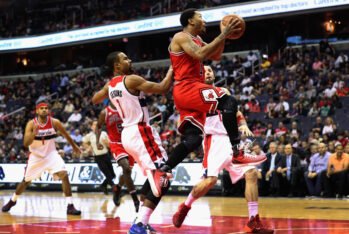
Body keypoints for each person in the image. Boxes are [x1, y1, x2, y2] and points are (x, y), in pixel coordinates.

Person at [172, 66, 273, 233]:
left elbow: (236, 112)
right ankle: (185, 206)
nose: (209, 72)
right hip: (213, 141)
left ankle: (253, 221)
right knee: (210, 181)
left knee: (251, 173)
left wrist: (243, 124)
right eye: (205, 70)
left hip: (230, 139)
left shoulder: (222, 91)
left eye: (211, 70)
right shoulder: (193, 95)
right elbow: (183, 121)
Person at [163, 8, 265, 174]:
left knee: (194, 139)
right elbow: (199, 54)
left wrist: (224, 36)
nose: (204, 21)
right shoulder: (181, 36)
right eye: (200, 17)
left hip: (188, 89)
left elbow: (215, 55)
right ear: (191, 21)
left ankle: (164, 168)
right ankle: (238, 151)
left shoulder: (197, 38)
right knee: (229, 101)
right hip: (188, 87)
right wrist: (223, 34)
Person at [92, 51, 173, 233]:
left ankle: (141, 220)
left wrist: (109, 93)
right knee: (164, 177)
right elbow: (163, 88)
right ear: (117, 66)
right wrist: (172, 70)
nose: (130, 60)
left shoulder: (110, 85)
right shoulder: (132, 79)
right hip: (140, 130)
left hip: (128, 135)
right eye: (125, 58)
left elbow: (95, 99)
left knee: (157, 177)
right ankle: (138, 225)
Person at [2, 99, 81, 215]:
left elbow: (66, 134)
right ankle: (12, 201)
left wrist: (74, 147)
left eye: (46, 108)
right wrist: (34, 133)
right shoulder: (31, 124)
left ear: (48, 111)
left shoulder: (55, 122)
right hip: (36, 157)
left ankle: (70, 205)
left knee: (64, 175)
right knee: (25, 182)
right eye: (41, 108)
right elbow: (25, 144)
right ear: (37, 111)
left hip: (51, 155)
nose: (44, 110)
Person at [96, 103, 140, 211]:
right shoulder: (105, 112)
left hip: (129, 142)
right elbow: (98, 126)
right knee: (126, 168)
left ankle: (117, 188)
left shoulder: (127, 107)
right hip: (116, 144)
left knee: (127, 172)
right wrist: (97, 141)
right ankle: (136, 200)